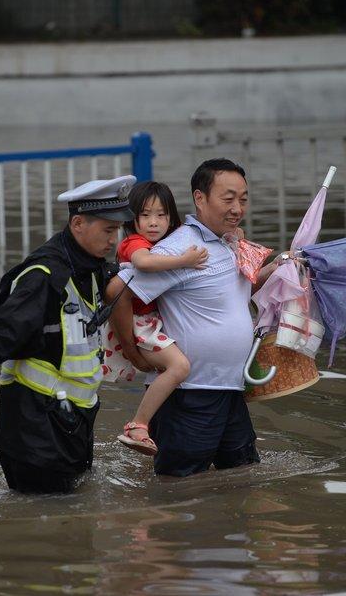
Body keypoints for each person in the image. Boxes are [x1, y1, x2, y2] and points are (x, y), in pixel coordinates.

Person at [0, 175, 136, 494]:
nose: (115, 239)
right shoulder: (44, 278)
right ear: (78, 223)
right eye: (108, 229)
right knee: (45, 531)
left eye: (118, 230)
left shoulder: (92, 268)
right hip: (35, 435)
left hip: (69, 425)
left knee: (74, 532)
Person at [106, 159, 279, 477]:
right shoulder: (181, 248)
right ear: (200, 199)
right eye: (228, 199)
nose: (237, 208)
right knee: (178, 486)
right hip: (190, 394)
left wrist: (281, 265)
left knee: (242, 477)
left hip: (230, 389)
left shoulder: (229, 244)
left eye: (243, 198)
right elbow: (119, 291)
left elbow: (240, 291)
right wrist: (133, 354)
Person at [102, 181, 208, 456]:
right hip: (140, 323)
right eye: (146, 215)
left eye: (161, 215)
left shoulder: (166, 243)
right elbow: (144, 263)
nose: (153, 222)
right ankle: (137, 425)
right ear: (132, 218)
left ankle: (155, 431)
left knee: (173, 372)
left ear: (171, 217)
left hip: (150, 321)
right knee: (179, 367)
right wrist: (184, 261)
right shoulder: (133, 243)